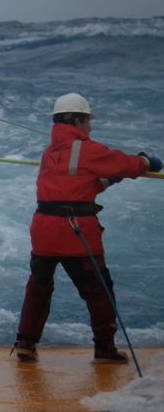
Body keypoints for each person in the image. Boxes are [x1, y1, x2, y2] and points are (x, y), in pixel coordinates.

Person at [13, 93, 162, 363]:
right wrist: (146, 162)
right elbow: (127, 165)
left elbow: (71, 190)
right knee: (99, 291)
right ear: (77, 120)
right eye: (88, 121)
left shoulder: (49, 153)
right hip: (75, 233)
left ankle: (25, 342)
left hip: (43, 231)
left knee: (39, 287)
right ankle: (104, 349)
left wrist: (107, 182)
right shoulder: (87, 149)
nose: (90, 127)